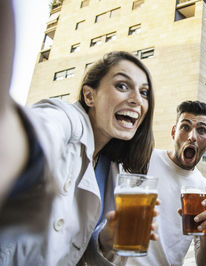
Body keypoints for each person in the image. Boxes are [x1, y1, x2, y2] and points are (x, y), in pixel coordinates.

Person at [0, 5, 157, 263]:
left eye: (144, 92)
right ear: (89, 95)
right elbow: (42, 131)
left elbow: (77, 249)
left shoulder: (111, 169)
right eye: (122, 85)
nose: (136, 100)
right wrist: (15, 146)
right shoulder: (65, 119)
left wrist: (105, 239)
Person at [128, 100, 206, 266]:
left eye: (201, 130)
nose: (192, 137)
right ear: (173, 132)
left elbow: (205, 264)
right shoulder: (144, 159)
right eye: (185, 127)